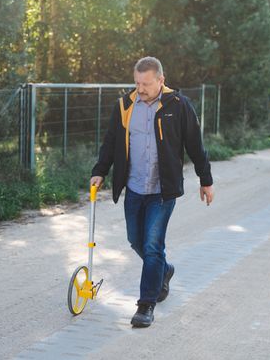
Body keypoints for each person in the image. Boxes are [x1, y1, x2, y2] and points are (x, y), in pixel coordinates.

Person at [90, 56, 214, 327]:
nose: (140, 89)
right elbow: (111, 141)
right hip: (134, 187)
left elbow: (195, 144)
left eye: (146, 84)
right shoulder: (125, 105)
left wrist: (205, 180)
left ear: (161, 80)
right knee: (135, 240)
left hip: (162, 190)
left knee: (152, 245)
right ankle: (164, 270)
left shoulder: (178, 105)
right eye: (137, 83)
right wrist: (100, 170)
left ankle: (146, 304)